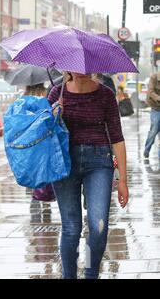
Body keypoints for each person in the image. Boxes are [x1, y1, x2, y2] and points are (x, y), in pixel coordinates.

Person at [48, 71, 129, 279]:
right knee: (71, 228)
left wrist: (123, 180)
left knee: (99, 225)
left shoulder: (106, 95)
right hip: (65, 163)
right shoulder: (57, 93)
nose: (81, 69)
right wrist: (54, 115)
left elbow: (118, 139)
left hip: (99, 161)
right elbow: (44, 133)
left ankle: (91, 273)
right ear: (67, 68)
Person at [144, 72, 160, 159]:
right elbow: (150, 91)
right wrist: (158, 98)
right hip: (156, 107)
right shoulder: (154, 77)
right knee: (154, 129)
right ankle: (147, 149)